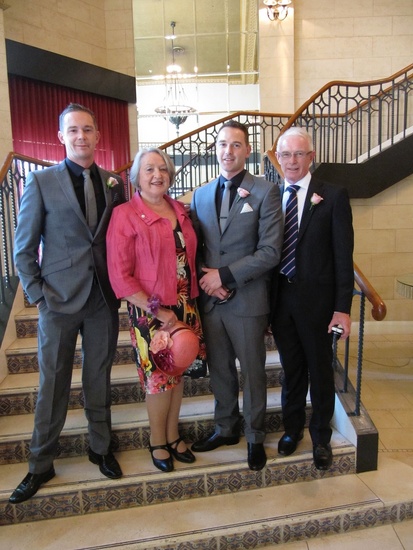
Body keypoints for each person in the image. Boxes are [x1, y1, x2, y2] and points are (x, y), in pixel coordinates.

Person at [10, 103, 125, 504]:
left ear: (97, 136)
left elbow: (119, 240)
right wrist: (39, 297)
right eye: (73, 130)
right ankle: (40, 463)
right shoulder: (41, 182)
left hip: (102, 299)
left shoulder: (115, 183)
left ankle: (100, 447)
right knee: (53, 383)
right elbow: (23, 249)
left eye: (87, 129)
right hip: (57, 302)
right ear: (61, 137)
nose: (81, 136)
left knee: (99, 378)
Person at [190, 120, 283, 471]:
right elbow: (195, 247)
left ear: (247, 150)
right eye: (222, 144)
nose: (227, 151)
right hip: (210, 300)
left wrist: (225, 276)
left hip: (247, 299)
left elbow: (270, 252)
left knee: (253, 372)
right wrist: (207, 278)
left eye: (235, 144)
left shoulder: (265, 191)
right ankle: (226, 428)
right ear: (215, 149)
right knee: (220, 370)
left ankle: (255, 435)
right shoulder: (200, 194)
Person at [106, 147, 206, 473]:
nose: (157, 175)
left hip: (185, 303)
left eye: (162, 169)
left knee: (178, 372)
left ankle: (174, 435)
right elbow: (120, 277)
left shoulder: (179, 210)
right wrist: (159, 311)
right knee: (159, 379)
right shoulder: (125, 214)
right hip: (150, 311)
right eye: (149, 169)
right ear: (137, 177)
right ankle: (157, 440)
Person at [270, 127, 354, 470]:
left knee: (319, 371)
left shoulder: (332, 196)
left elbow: (343, 256)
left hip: (318, 305)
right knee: (291, 371)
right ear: (277, 158)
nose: (292, 160)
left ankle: (320, 436)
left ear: (311, 157)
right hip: (280, 302)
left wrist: (342, 309)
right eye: (285, 154)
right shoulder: (270, 196)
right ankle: (291, 431)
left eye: (299, 153)